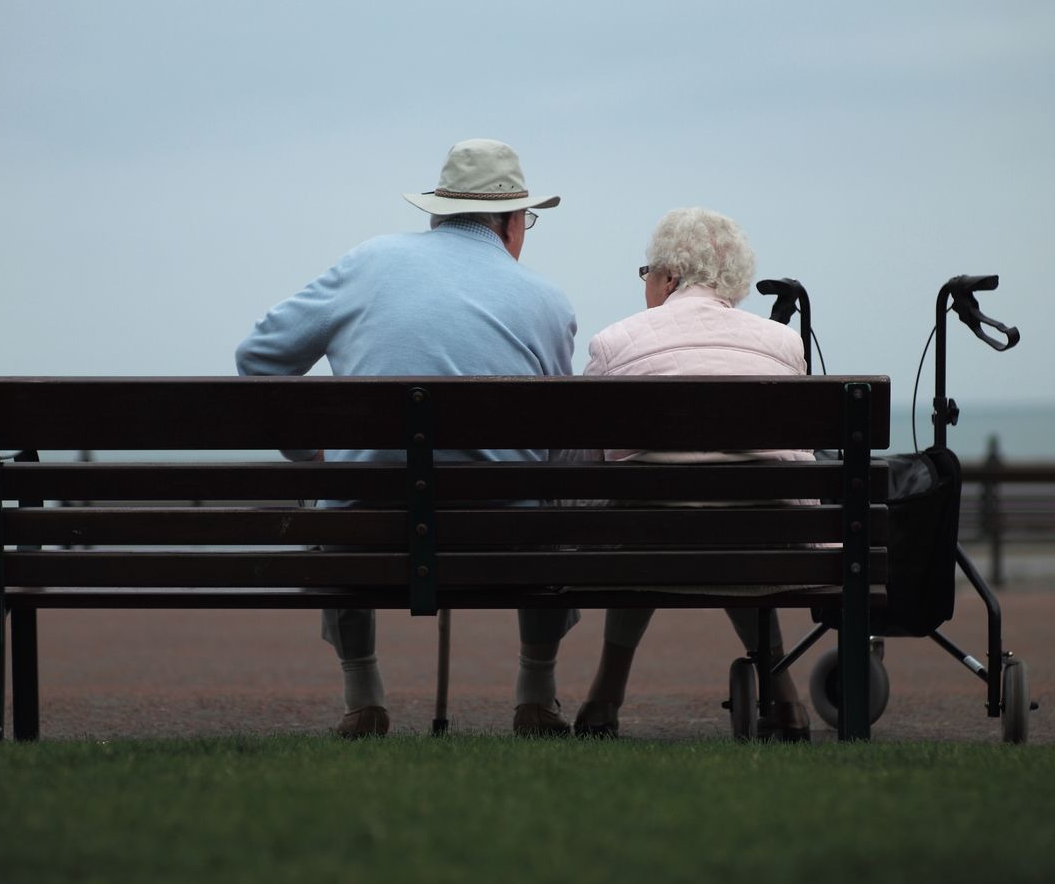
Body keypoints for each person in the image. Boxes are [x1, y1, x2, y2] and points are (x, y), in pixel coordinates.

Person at [235, 139, 580, 739]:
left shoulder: (369, 262)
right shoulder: (548, 301)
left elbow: (258, 359)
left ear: (436, 212)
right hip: (504, 538)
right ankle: (536, 694)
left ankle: (363, 695)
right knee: (549, 499)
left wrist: (311, 456)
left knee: (338, 485)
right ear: (508, 222)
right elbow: (554, 438)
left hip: (368, 530)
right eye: (527, 219)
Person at [569, 206, 813, 741]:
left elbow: (586, 470)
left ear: (671, 277)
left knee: (647, 520)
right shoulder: (782, 345)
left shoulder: (614, 343)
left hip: (644, 542)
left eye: (647, 274)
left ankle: (604, 699)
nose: (645, 286)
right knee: (736, 528)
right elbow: (799, 467)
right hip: (761, 542)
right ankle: (788, 702)